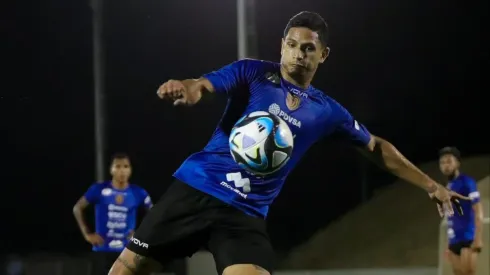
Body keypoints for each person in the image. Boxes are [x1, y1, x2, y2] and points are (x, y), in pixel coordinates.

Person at [109, 11, 469, 275]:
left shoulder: (326, 111)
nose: (299, 53)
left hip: (244, 215)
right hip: (196, 190)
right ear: (282, 46)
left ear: (323, 55)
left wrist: (432, 185)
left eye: (309, 48)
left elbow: (375, 147)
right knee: (127, 270)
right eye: (292, 45)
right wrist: (187, 90)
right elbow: (203, 85)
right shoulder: (252, 72)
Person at [73, 153, 153, 275]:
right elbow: (78, 208)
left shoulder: (138, 192)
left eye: (126, 166)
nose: (122, 171)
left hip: (127, 251)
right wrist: (87, 234)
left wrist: (141, 234)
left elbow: (154, 214)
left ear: (130, 170)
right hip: (102, 250)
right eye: (118, 166)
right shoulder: (99, 189)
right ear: (111, 169)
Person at [439, 147, 483, 275]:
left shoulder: (467, 182)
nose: (446, 166)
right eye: (442, 163)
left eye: (449, 161)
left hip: (468, 238)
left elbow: (478, 209)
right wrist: (448, 243)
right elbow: (450, 216)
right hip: (454, 241)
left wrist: (478, 238)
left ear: (457, 163)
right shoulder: (448, 187)